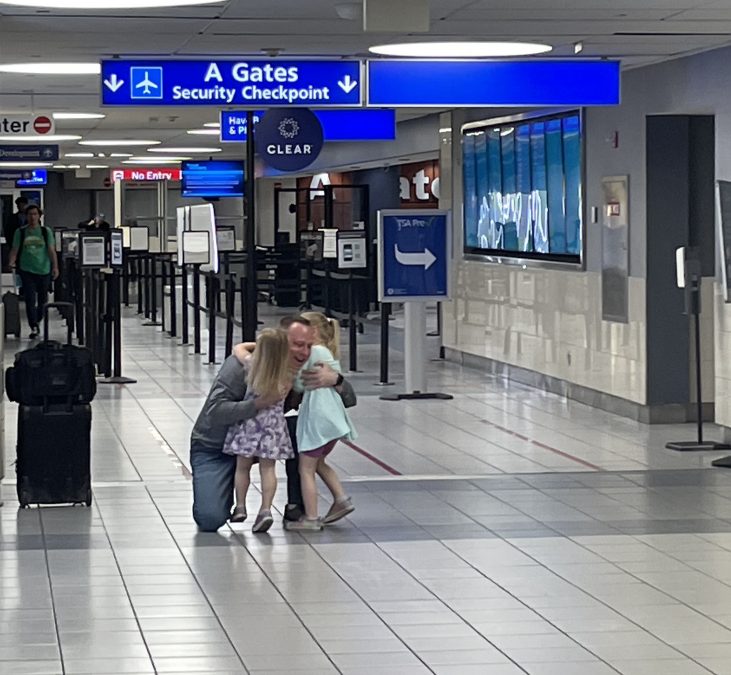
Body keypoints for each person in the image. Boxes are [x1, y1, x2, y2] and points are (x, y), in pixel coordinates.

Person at [190, 316, 355, 532]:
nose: (304, 352)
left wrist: (336, 380)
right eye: (297, 345)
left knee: (301, 430)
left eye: (309, 346)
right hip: (214, 447)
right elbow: (214, 412)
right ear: (282, 342)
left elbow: (350, 400)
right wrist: (259, 403)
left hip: (258, 443)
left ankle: (295, 507)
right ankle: (230, 494)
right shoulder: (243, 365)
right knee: (210, 518)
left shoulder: (306, 370)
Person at [287, 312, 356, 531]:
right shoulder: (327, 353)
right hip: (333, 422)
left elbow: (299, 384)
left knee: (305, 469)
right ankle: (341, 498)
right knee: (318, 463)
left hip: (318, 420)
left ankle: (311, 518)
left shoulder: (313, 353)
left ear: (313, 332)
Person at [224, 329, 294, 533]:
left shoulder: (252, 364)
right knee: (268, 468)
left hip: (250, 422)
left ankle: (240, 506)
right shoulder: (287, 372)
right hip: (273, 424)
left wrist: (258, 347)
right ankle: (265, 510)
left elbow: (238, 348)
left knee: (242, 466)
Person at [8, 204, 59, 339]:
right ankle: (34, 325)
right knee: (30, 299)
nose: (32, 217)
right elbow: (15, 249)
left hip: (43, 269)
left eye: (35, 214)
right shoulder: (21, 232)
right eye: (30, 214)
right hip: (27, 269)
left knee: (43, 299)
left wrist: (55, 267)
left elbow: (51, 250)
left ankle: (38, 318)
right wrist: (11, 262)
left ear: (39, 216)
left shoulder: (45, 232)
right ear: (26, 216)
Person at [3, 196, 27, 271]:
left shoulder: (30, 217)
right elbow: (8, 231)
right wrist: (10, 243)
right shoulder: (12, 218)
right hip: (16, 244)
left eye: (23, 205)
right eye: (19, 205)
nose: (21, 207)